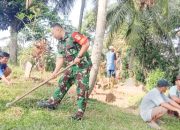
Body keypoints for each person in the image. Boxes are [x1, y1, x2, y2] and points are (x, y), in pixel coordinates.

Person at [37, 23, 92, 120]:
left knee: (81, 89)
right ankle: (53, 103)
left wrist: (79, 57)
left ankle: (79, 114)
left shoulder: (73, 35)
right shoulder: (60, 44)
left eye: (53, 33)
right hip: (71, 67)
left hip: (82, 66)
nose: (52, 35)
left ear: (58, 30)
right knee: (63, 82)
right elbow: (60, 59)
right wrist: (55, 72)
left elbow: (86, 43)